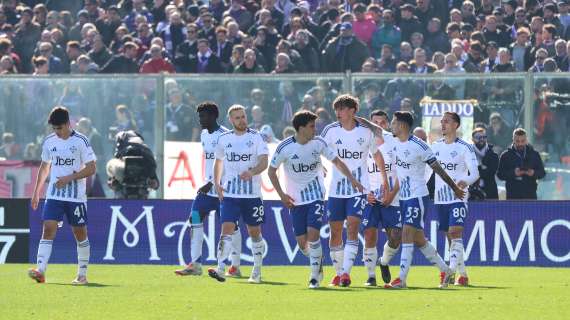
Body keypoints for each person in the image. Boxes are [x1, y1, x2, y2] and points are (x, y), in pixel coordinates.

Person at [363, 111, 464, 289]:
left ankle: (401, 279)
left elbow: (438, 169)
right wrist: (355, 118)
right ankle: (446, 270)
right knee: (419, 240)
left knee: (406, 234)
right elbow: (376, 129)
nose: (391, 126)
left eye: (393, 123)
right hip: (403, 198)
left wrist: (454, 187)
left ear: (402, 125)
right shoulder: (392, 140)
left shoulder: (421, 146)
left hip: (417, 196)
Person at [268, 110, 362, 288]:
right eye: (312, 127)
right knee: (303, 244)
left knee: (313, 235)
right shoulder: (285, 147)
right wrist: (281, 195)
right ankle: (317, 262)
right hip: (295, 199)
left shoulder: (318, 143)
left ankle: (314, 278)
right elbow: (271, 171)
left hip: (316, 195)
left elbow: (337, 162)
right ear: (301, 128)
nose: (315, 130)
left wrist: (353, 180)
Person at [320, 94, 388, 287]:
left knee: (352, 227)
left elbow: (377, 155)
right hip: (335, 190)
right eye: (337, 110)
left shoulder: (365, 132)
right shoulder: (330, 131)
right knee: (334, 232)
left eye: (342, 109)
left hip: (359, 189)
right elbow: (315, 148)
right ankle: (338, 272)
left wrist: (384, 180)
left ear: (352, 111)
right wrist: (320, 166)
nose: (338, 113)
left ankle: (346, 274)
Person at [28, 106, 96, 285]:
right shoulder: (50, 142)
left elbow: (91, 168)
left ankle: (82, 275)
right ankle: (41, 270)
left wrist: (70, 178)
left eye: (59, 128)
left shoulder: (81, 141)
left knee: (79, 233)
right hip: (54, 195)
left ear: (68, 124)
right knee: (48, 228)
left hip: (76, 197)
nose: (57, 132)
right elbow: (44, 167)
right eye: (54, 128)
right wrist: (36, 193)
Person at [175, 102, 242, 277]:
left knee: (231, 227)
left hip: (223, 191)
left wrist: (212, 182)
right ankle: (195, 264)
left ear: (213, 117)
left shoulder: (226, 136)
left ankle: (235, 266)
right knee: (194, 218)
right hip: (207, 191)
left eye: (203, 116)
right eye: (199, 116)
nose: (200, 120)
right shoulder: (204, 135)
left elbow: (228, 164)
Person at [208, 105, 269, 284]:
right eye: (237, 118)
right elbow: (218, 161)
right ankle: (220, 267)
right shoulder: (224, 139)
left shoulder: (256, 137)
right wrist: (217, 183)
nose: (241, 120)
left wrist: (252, 172)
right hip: (230, 194)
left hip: (252, 195)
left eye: (243, 117)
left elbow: (264, 162)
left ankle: (256, 271)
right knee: (226, 228)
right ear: (231, 120)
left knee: (254, 232)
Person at [430, 112, 479, 286]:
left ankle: (449, 272)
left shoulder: (465, 147)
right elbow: (426, 173)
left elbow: (475, 173)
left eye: (447, 122)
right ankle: (463, 274)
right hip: (440, 199)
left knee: (455, 232)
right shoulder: (435, 147)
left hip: (458, 197)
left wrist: (463, 182)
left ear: (456, 125)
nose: (443, 124)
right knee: (450, 237)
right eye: (442, 122)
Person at [362, 110, 401, 286]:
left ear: (387, 124)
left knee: (396, 236)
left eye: (383, 122)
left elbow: (403, 171)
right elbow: (357, 170)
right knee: (370, 235)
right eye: (375, 122)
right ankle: (371, 276)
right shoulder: (362, 141)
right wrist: (365, 191)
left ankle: (383, 261)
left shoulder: (395, 141)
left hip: (392, 195)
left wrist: (392, 193)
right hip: (370, 196)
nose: (379, 125)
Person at [497, 128, 546, 199]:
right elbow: (500, 175)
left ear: (526, 140)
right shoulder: (505, 155)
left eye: (522, 141)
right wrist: (513, 173)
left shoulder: (534, 154)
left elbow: (542, 173)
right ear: (513, 140)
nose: (520, 143)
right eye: (517, 141)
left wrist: (533, 173)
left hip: (530, 195)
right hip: (512, 195)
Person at [472, 127, 499, 199]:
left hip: (490, 192)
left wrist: (477, 169)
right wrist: (483, 168)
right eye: (478, 137)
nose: (481, 139)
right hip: (472, 192)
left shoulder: (494, 155)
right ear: (473, 139)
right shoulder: (467, 154)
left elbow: (491, 173)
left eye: (484, 137)